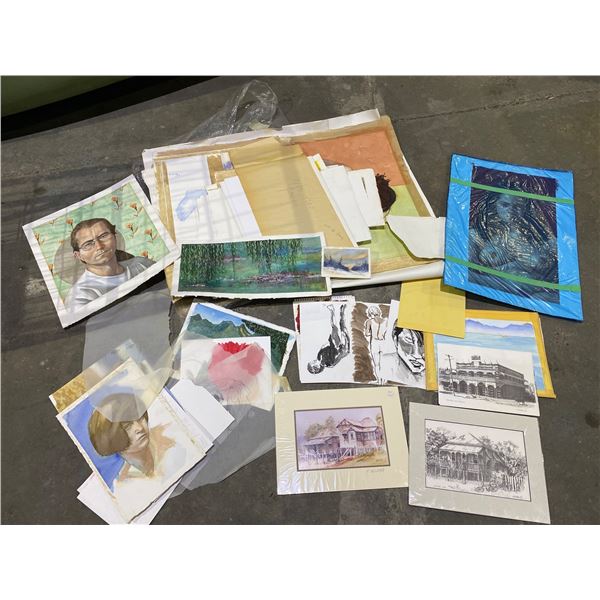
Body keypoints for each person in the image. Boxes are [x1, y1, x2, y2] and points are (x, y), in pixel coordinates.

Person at [65, 217, 155, 310]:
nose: (99, 246)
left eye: (103, 236)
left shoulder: (143, 264)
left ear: (115, 237)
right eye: (88, 244)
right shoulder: (79, 297)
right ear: (78, 255)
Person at [307, 304, 350, 374]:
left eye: (312, 362)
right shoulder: (329, 364)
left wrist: (331, 341)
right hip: (342, 349)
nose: (313, 361)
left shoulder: (318, 357)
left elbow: (323, 346)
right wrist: (342, 345)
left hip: (334, 345)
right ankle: (342, 312)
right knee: (343, 328)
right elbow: (340, 356)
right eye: (313, 363)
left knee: (334, 328)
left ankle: (332, 311)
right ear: (317, 367)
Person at [363, 305, 388, 383]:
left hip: (375, 343)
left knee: (377, 364)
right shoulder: (386, 321)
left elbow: (366, 334)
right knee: (383, 363)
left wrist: (372, 332)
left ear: (371, 313)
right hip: (383, 342)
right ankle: (383, 381)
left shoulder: (369, 321)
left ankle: (379, 380)